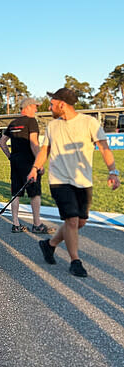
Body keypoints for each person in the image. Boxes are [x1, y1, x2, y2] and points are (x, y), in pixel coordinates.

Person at [28, 88, 120, 277]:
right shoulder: (53, 126)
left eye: (52, 103)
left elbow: (104, 148)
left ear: (62, 104)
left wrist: (113, 171)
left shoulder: (89, 123)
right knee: (71, 220)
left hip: (83, 180)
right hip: (59, 180)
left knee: (80, 222)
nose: (49, 106)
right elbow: (44, 150)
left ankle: (49, 244)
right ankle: (75, 261)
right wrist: (34, 169)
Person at [0, 98, 54, 234]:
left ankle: (16, 224)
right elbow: (33, 143)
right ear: (28, 107)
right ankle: (36, 224)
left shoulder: (13, 123)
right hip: (29, 162)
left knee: (16, 193)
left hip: (16, 162)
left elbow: (2, 142)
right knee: (35, 193)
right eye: (35, 107)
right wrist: (39, 163)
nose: (36, 109)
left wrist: (10, 156)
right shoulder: (31, 121)